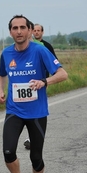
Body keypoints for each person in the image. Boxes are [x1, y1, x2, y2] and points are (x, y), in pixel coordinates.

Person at [0, 15, 68, 173]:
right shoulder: (6, 53)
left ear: (30, 31)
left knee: (36, 156)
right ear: (10, 31)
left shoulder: (40, 51)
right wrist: (1, 91)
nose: (18, 31)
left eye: (22, 28)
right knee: (8, 151)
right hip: (14, 110)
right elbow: (2, 73)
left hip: (37, 112)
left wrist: (44, 81)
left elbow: (62, 74)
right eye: (14, 28)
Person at [23, 22, 58, 150]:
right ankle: (31, 137)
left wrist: (46, 80)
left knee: (36, 108)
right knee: (27, 106)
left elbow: (54, 64)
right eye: (35, 30)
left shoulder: (46, 46)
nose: (36, 32)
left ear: (42, 32)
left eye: (39, 31)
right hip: (28, 81)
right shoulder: (27, 46)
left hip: (42, 81)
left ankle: (34, 137)